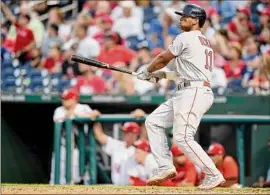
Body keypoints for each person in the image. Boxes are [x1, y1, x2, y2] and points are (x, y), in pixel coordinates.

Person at [136, 4, 225, 189]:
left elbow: (162, 58)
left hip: (193, 91)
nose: (181, 19)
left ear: (196, 20)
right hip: (189, 89)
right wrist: (161, 75)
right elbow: (187, 71)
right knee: (153, 122)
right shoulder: (202, 41)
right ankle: (165, 165)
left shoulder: (186, 37)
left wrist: (147, 70)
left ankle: (213, 174)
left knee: (183, 137)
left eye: (185, 16)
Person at [50, 88, 101, 184]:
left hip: (78, 148)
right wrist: (81, 115)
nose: (63, 101)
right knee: (56, 180)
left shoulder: (83, 107)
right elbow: (63, 117)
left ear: (74, 99)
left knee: (76, 179)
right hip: (62, 149)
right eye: (63, 98)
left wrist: (90, 114)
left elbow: (95, 114)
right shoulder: (59, 110)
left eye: (67, 99)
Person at [93, 121, 140, 185]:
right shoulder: (117, 145)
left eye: (128, 132)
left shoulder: (141, 148)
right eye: (124, 132)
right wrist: (96, 120)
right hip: (117, 187)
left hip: (134, 187)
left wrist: (142, 117)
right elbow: (100, 136)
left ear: (135, 134)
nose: (124, 134)